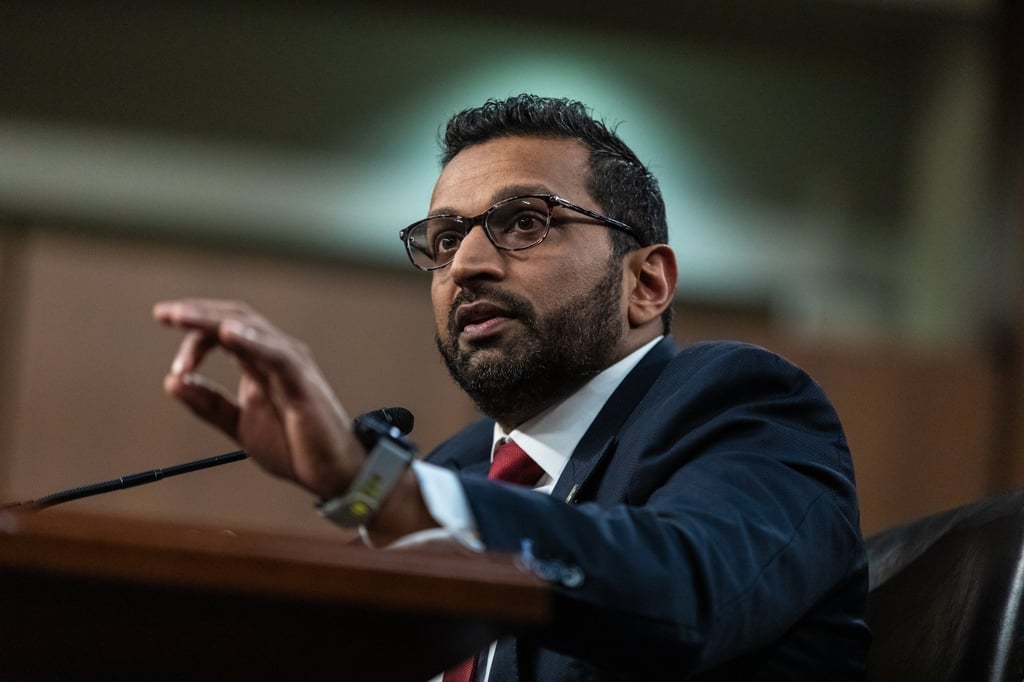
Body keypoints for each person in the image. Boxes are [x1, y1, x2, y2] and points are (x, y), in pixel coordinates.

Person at [153, 94, 870, 680]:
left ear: (645, 282)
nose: (465, 264)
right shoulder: (455, 471)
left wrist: (373, 482)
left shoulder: (741, 406)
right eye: (443, 240)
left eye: (524, 223)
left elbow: (685, 594)